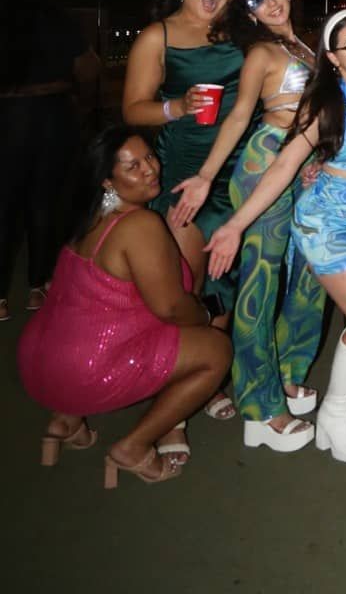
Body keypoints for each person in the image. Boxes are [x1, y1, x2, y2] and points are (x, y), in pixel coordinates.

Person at [206, 9, 346, 464]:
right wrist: (236, 225)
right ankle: (335, 412)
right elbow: (284, 164)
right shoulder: (325, 102)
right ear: (332, 57)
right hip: (326, 224)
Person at [17, 126, 230, 487]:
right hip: (86, 370)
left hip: (37, 364)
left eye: (149, 156)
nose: (150, 169)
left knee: (95, 320)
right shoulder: (139, 225)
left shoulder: (84, 218)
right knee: (216, 350)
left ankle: (65, 421)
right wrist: (207, 314)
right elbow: (172, 310)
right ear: (107, 181)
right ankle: (133, 446)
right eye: (133, 166)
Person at [169, 0, 326, 453]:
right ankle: (259, 406)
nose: (270, 1)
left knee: (311, 275)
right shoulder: (261, 52)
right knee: (261, 285)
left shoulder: (303, 43)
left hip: (306, 162)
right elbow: (240, 116)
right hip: (268, 162)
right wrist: (207, 175)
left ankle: (287, 371)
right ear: (248, 11)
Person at [122, 0, 269, 334]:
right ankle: (184, 366)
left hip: (239, 163)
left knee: (233, 278)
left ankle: (213, 374)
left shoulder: (237, 26)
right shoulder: (156, 37)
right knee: (191, 279)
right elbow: (133, 108)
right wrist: (178, 107)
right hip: (185, 168)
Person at [0, 0, 101, 322]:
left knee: (4, 203)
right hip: (53, 115)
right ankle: (37, 286)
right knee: (44, 201)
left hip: (8, 116)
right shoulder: (59, 21)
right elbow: (88, 68)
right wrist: (83, 104)